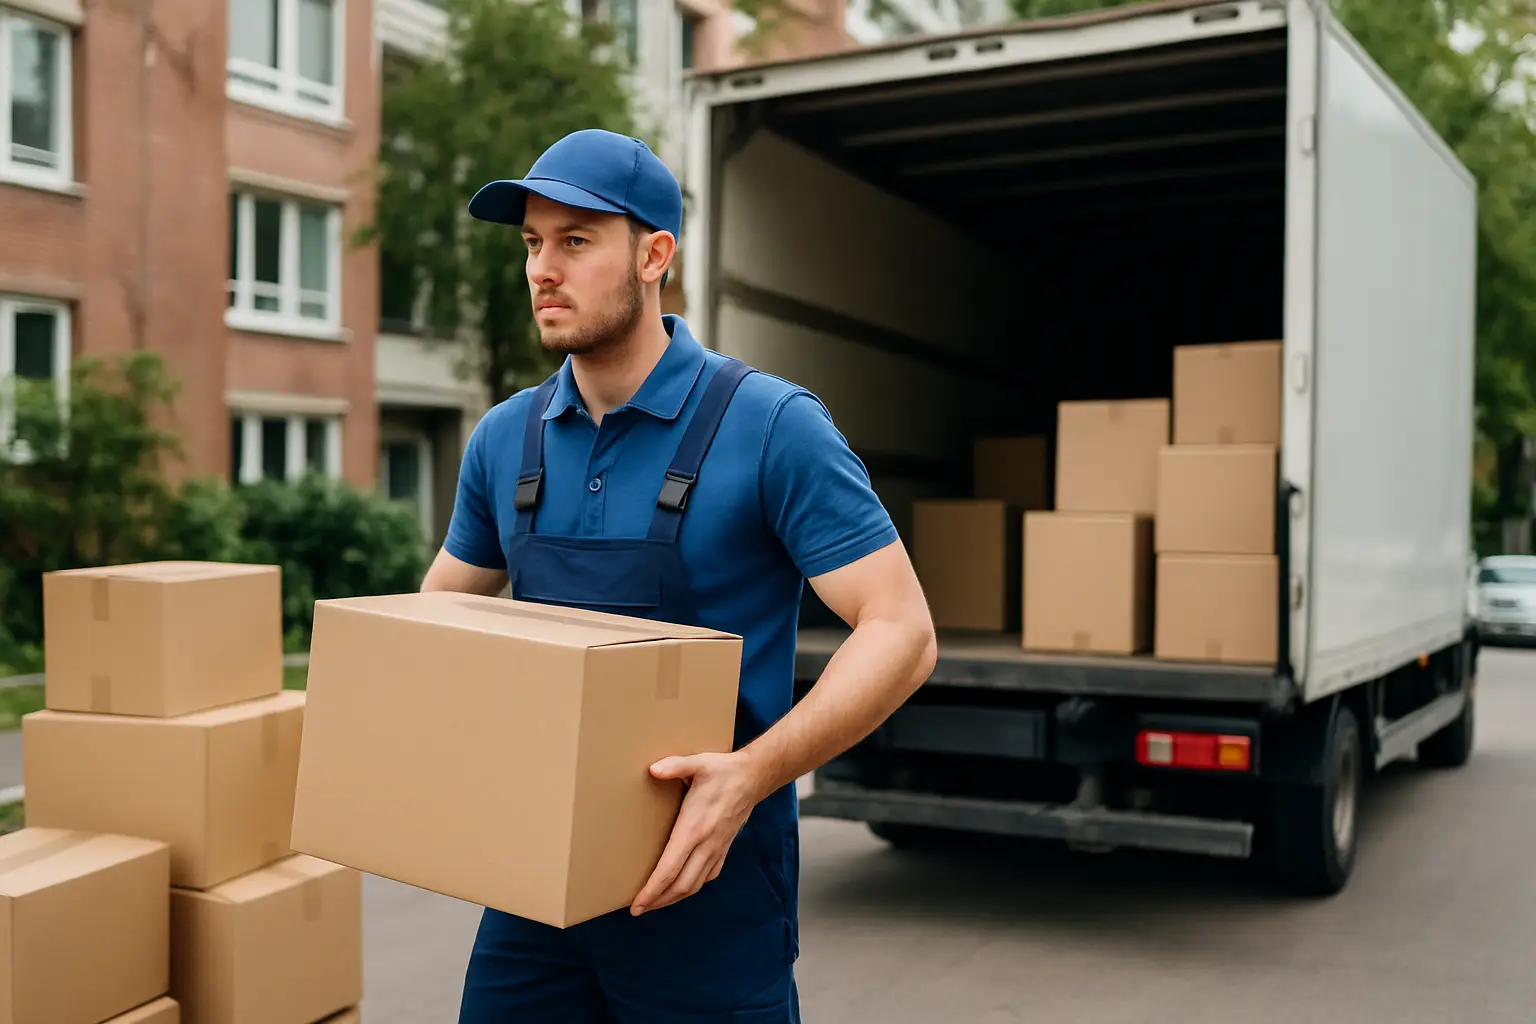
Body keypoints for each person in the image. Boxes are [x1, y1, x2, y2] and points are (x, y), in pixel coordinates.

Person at [421, 128, 938, 1023]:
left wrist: (749, 774)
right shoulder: (505, 439)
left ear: (655, 254)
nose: (545, 269)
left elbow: (901, 630)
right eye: (533, 244)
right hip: (537, 887)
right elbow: (438, 621)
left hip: (712, 882)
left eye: (576, 241)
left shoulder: (773, 425)